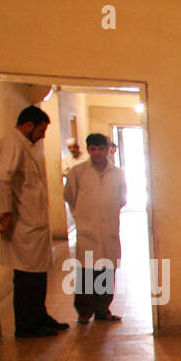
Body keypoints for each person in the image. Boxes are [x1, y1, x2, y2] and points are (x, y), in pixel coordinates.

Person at [0, 105, 66, 337]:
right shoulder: (13, 143)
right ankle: (27, 325)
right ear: (28, 125)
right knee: (26, 279)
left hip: (34, 223)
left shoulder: (27, 144)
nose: (43, 136)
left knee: (38, 275)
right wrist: (6, 211)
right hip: (24, 224)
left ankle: (39, 316)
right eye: (41, 130)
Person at [63, 132, 127, 322]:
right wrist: (83, 217)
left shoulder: (117, 173)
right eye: (93, 149)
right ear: (88, 150)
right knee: (86, 272)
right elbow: (70, 196)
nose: (97, 153)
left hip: (108, 229)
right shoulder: (78, 172)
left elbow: (122, 198)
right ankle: (84, 312)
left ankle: (102, 310)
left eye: (101, 148)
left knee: (107, 269)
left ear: (108, 149)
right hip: (87, 229)